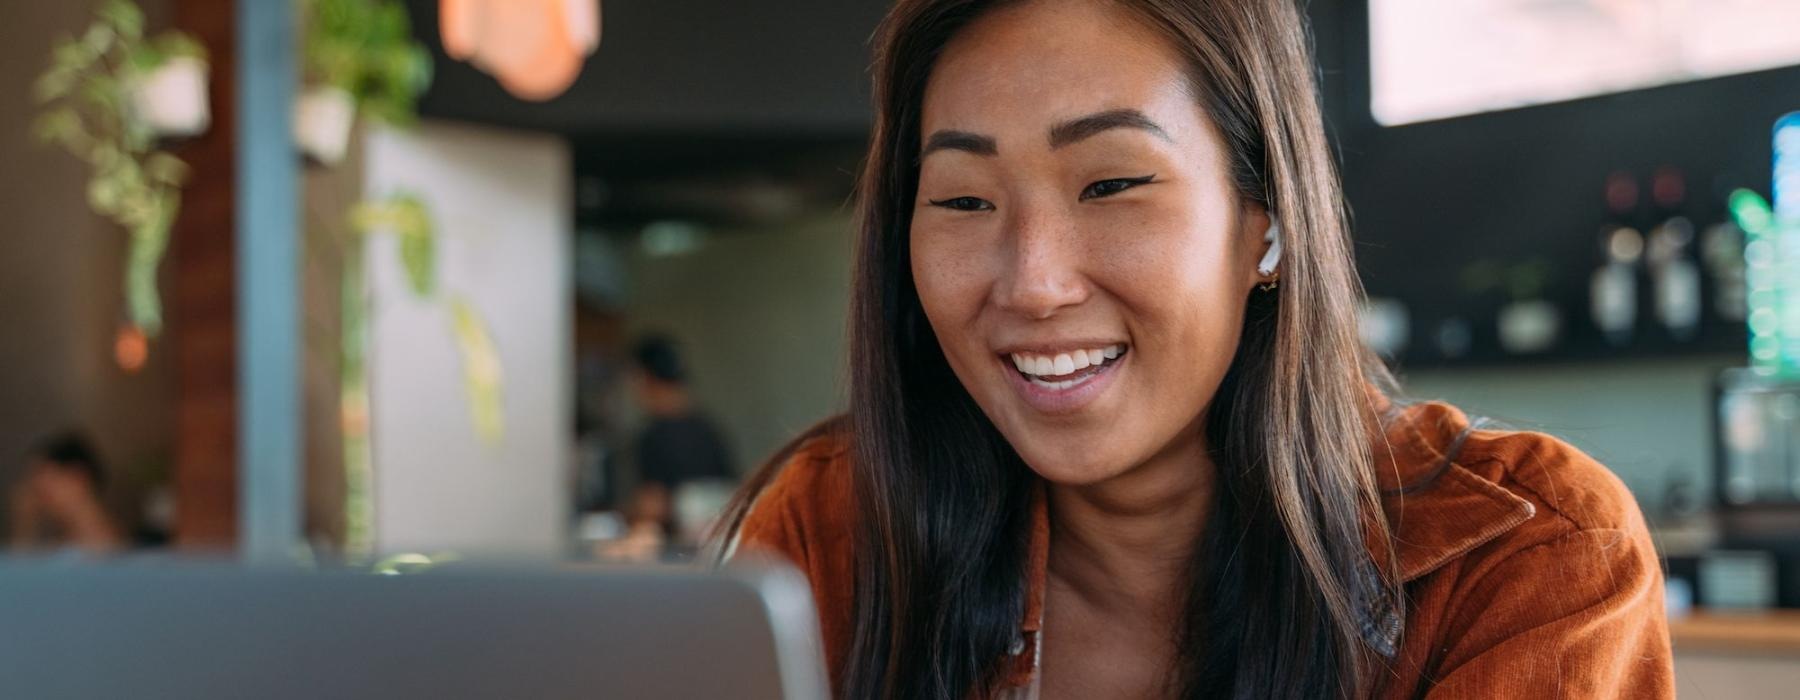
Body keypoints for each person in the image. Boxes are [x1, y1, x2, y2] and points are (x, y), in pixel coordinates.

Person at [716, 1, 1674, 698]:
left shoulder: (1528, 562)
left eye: (1114, 184)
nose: (1033, 283)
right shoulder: (831, 533)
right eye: (964, 200)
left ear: (1264, 220)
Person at [624, 335, 734, 546]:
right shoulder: (710, 430)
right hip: (716, 552)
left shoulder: (654, 436)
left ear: (644, 377)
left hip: (676, 555)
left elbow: (653, 507)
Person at [8, 432, 124, 556]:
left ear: (78, 477)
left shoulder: (122, 549)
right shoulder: (54, 550)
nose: (38, 501)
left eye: (44, 493)